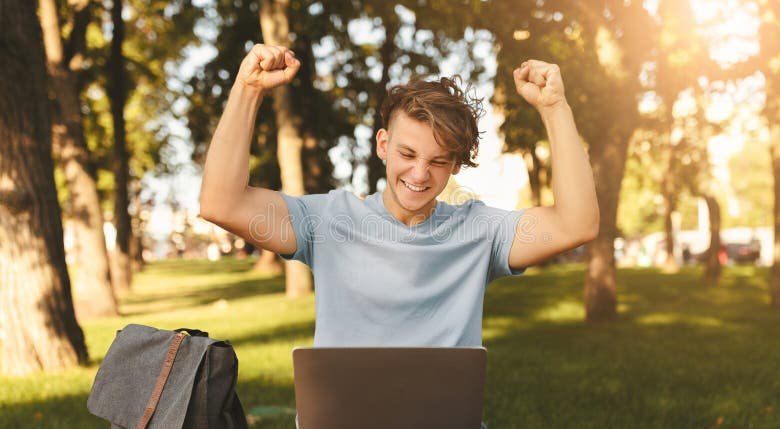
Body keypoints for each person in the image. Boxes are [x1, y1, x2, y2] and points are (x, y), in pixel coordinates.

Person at [199, 43, 599, 422]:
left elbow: (576, 223)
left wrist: (555, 108)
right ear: (383, 145)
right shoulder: (326, 221)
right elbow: (221, 203)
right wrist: (248, 90)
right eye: (407, 154)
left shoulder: (481, 231)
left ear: (456, 165)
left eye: (439, 161)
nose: (420, 174)